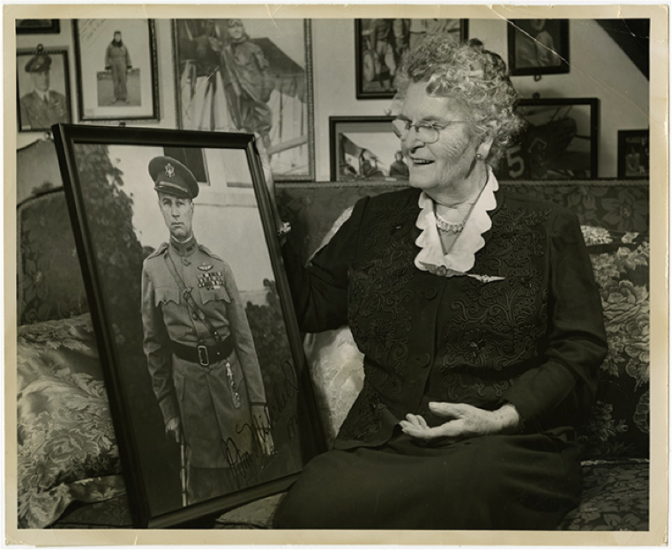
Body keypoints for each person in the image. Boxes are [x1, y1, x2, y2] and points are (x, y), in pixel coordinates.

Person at [267, 36, 607, 529]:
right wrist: (266, 222)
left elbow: (580, 347)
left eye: (431, 125)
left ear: (484, 138)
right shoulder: (372, 220)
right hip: (381, 444)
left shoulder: (547, 228)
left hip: (500, 448)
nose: (409, 142)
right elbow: (309, 306)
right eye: (405, 123)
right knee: (306, 510)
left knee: (464, 490)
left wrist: (504, 416)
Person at [140, 156, 274, 505]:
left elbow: (244, 342)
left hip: (232, 390)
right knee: (202, 491)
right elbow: (154, 346)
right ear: (160, 206)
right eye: (167, 203)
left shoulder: (219, 267)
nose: (174, 213)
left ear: (191, 207)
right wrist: (168, 409)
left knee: (243, 479)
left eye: (180, 203)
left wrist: (258, 406)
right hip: (190, 399)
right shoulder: (153, 270)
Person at [216, 19, 274, 152]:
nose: (236, 30)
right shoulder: (226, 51)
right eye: (232, 27)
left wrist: (266, 88)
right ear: (228, 31)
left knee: (262, 122)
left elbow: (265, 70)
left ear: (243, 29)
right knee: (244, 124)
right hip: (238, 92)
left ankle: (266, 149)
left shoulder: (253, 48)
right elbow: (228, 72)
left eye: (239, 26)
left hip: (255, 89)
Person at [19, 47, 69, 131]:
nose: (44, 78)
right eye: (39, 74)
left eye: (46, 73)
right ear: (32, 77)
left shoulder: (61, 98)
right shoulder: (24, 103)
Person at [104, 31, 132, 104]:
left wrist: (128, 66)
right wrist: (107, 65)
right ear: (114, 37)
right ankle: (116, 96)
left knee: (123, 81)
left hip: (123, 65)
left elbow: (128, 56)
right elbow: (107, 56)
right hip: (114, 65)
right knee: (115, 81)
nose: (117, 37)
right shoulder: (110, 46)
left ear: (121, 37)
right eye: (116, 36)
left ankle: (124, 96)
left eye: (119, 36)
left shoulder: (124, 46)